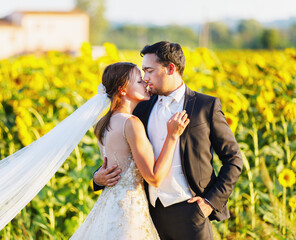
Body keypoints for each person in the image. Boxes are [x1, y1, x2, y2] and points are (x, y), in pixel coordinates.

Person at [93, 41, 243, 240]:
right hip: (147, 215)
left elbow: (234, 159)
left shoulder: (205, 106)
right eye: (143, 73)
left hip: (191, 214)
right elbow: (122, 153)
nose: (145, 79)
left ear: (170, 68)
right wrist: (97, 178)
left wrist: (210, 203)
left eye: (149, 71)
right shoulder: (140, 107)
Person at [70, 62, 190, 240]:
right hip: (129, 211)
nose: (146, 83)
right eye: (139, 81)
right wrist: (172, 136)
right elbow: (154, 177)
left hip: (108, 207)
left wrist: (97, 178)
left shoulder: (103, 124)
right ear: (123, 90)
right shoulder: (131, 123)